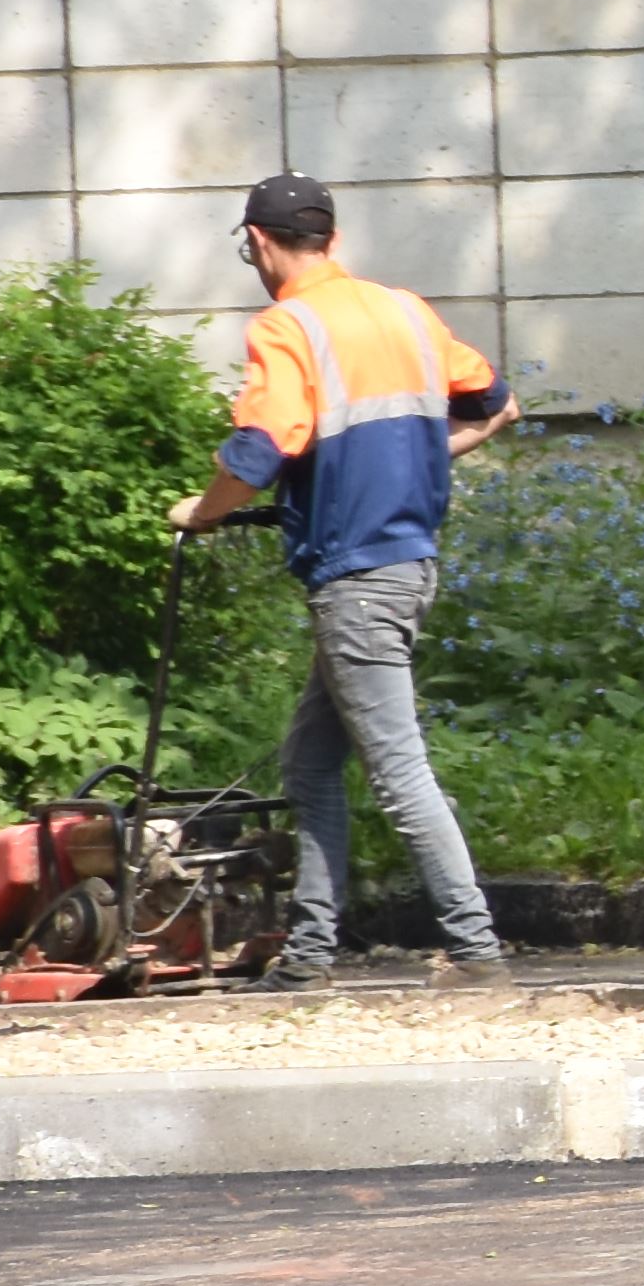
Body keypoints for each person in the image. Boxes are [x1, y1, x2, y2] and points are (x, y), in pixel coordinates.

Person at [170, 173, 517, 986]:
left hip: (356, 584)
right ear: (331, 238)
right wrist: (425, 456)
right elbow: (496, 405)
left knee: (399, 773)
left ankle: (477, 955)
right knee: (310, 763)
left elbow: (258, 453)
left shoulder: (286, 327)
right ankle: (308, 958)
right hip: (407, 566)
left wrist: (204, 512)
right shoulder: (403, 310)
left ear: (257, 243)